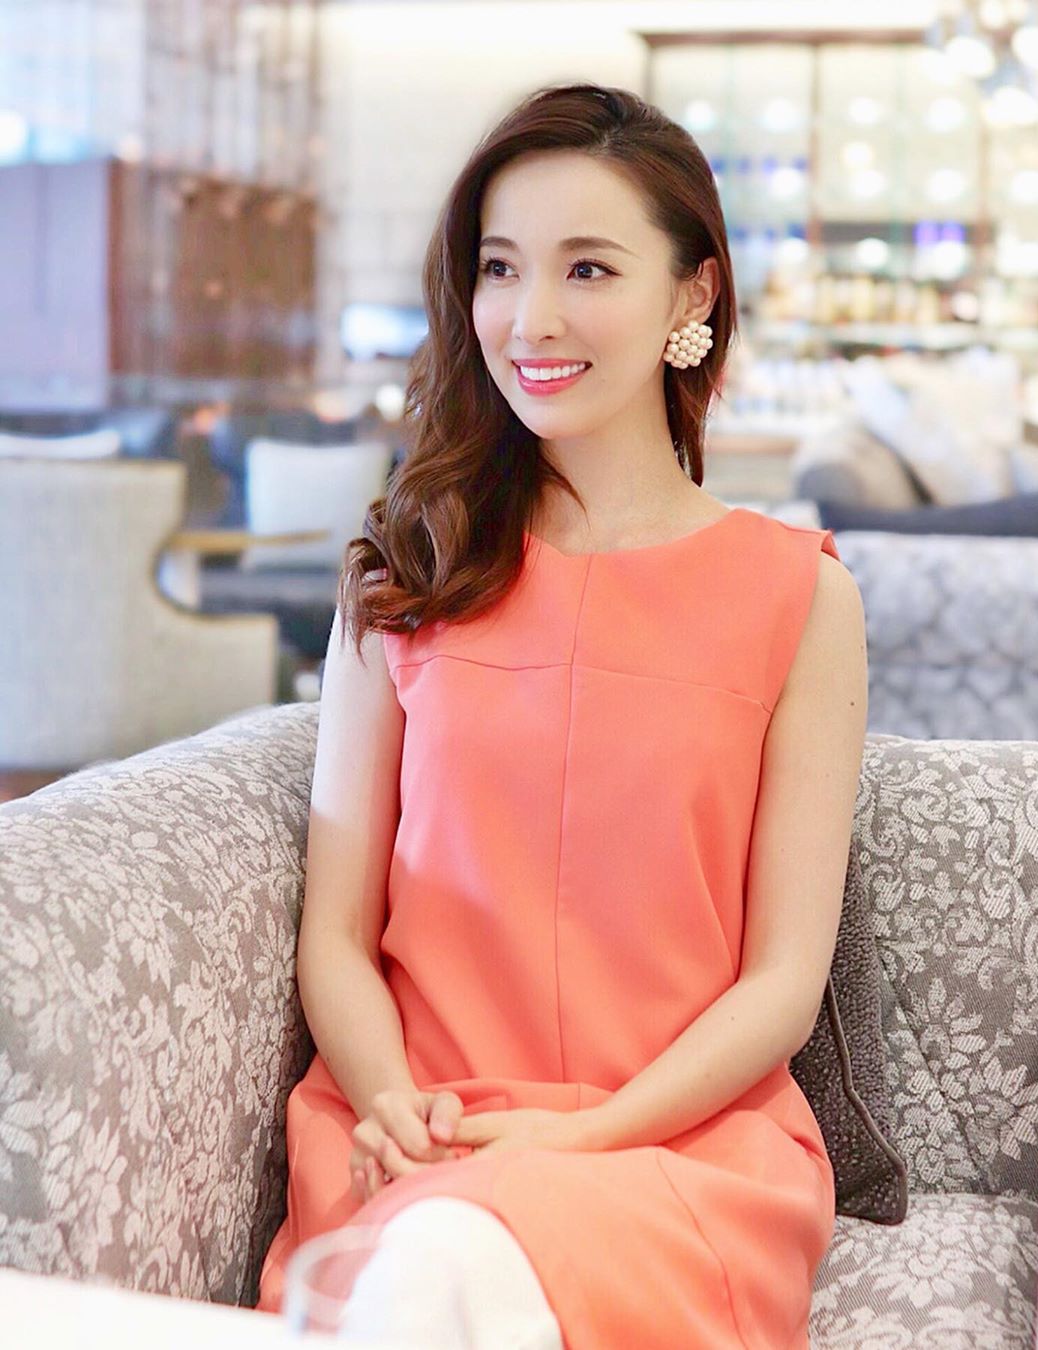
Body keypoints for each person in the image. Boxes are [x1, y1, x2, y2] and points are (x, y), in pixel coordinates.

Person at [254, 80, 868, 1348]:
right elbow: (337, 937)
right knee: (435, 1260)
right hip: (412, 1131)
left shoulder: (798, 596)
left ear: (692, 295)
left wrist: (579, 1139)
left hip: (676, 1150)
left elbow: (781, 983)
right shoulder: (407, 574)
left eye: (589, 268)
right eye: (499, 268)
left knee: (448, 1271)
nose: (530, 317)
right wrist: (396, 1107)